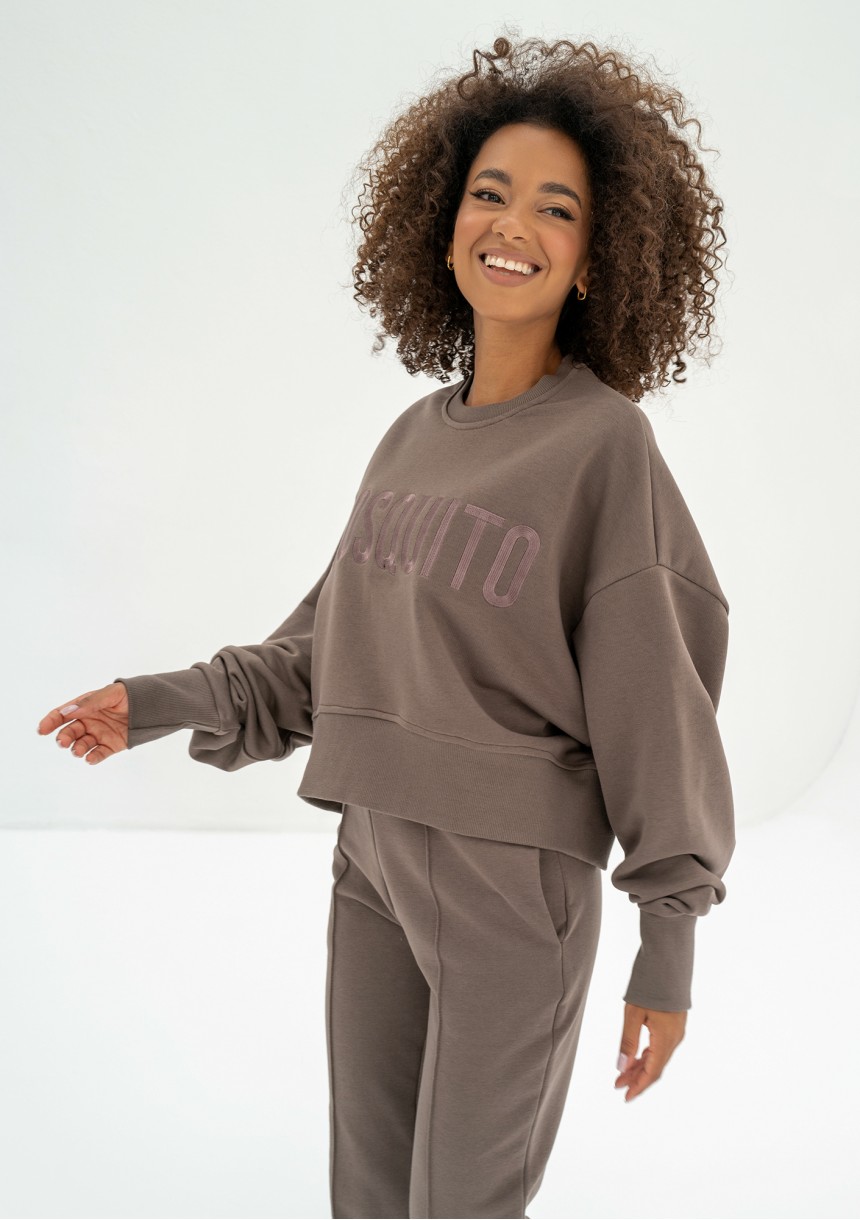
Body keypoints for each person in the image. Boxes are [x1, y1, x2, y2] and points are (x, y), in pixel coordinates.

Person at [36, 32, 736, 1220]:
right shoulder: (411, 437)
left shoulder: (604, 447)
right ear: (444, 224)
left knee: (459, 1202)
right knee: (365, 1195)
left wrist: (665, 946)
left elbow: (655, 703)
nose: (511, 224)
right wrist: (151, 701)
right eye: (488, 193)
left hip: (510, 882)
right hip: (369, 857)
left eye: (555, 208)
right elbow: (327, 654)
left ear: (594, 259)